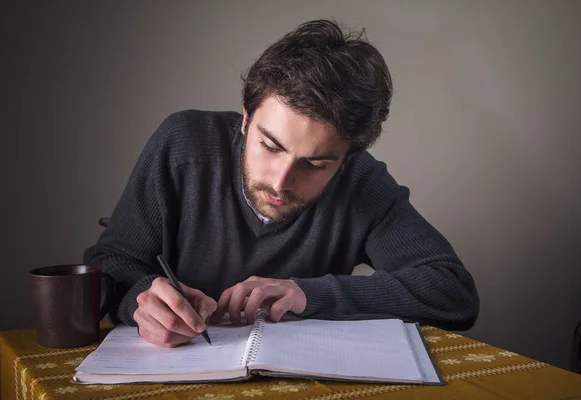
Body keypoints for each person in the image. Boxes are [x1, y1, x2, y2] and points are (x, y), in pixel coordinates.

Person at [84, 19, 479, 348]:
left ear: (347, 160)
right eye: (270, 146)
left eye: (315, 164)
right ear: (245, 119)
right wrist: (140, 299)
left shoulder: (361, 182)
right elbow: (110, 263)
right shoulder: (182, 143)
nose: (280, 180)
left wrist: (310, 295)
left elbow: (452, 293)